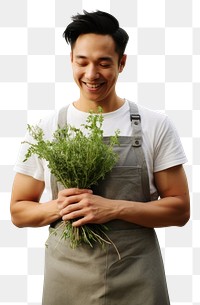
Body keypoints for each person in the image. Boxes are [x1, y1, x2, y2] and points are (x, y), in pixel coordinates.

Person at [10, 10, 190, 305]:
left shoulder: (154, 124)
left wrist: (114, 208)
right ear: (71, 61)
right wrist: (60, 207)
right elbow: (19, 211)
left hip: (137, 272)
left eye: (104, 63)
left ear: (122, 63)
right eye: (82, 62)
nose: (91, 74)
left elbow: (180, 210)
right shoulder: (47, 128)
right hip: (66, 275)